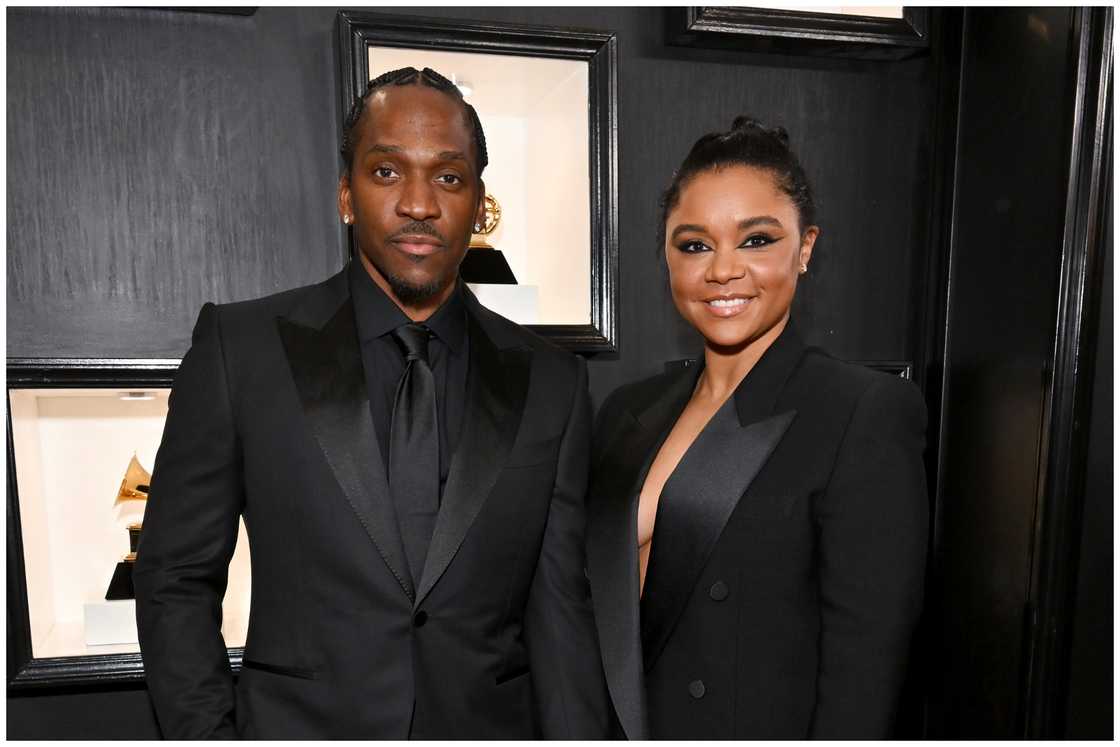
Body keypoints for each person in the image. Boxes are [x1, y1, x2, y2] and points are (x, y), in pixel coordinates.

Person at [134, 66, 609, 739]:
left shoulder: (553, 383)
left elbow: (560, 614)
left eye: (448, 177)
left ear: (478, 203)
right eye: (388, 172)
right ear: (346, 194)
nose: (419, 203)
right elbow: (174, 577)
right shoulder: (241, 351)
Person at [585, 117, 928, 739]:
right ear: (665, 255)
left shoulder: (862, 411)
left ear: (806, 247)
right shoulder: (625, 411)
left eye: (756, 240)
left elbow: (864, 676)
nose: (722, 270)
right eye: (693, 245)